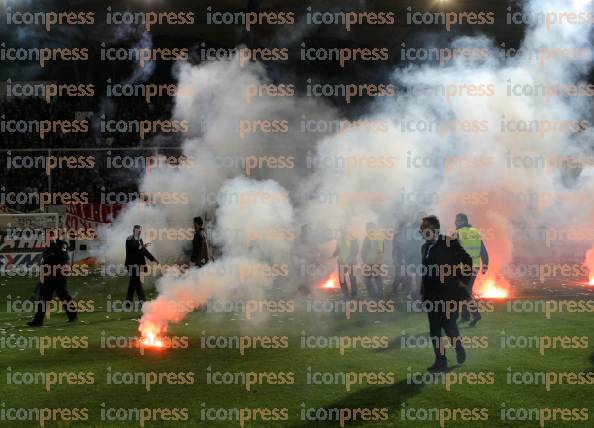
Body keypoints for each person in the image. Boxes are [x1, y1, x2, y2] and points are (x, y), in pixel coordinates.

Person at [419, 215, 473, 372]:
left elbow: (467, 260)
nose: (422, 232)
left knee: (449, 326)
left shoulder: (450, 243)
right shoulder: (424, 248)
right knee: (434, 330)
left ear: (434, 229)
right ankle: (441, 361)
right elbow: (426, 273)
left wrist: (464, 281)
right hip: (432, 296)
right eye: (421, 230)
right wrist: (423, 293)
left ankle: (459, 348)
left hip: (450, 294)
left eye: (424, 229)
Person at [28, 239, 78, 326]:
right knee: (43, 299)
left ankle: (73, 316)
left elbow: (62, 257)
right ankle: (38, 321)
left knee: (64, 297)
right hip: (47, 276)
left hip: (59, 277)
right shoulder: (49, 248)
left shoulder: (61, 244)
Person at [454, 213, 489, 327]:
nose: (455, 223)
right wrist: (485, 265)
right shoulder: (476, 232)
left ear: (462, 221)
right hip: (475, 267)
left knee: (465, 292)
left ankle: (475, 315)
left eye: (457, 220)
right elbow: (483, 250)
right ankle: (465, 316)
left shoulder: (458, 234)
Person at [125, 225, 158, 308]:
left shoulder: (140, 240)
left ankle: (128, 303)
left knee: (132, 284)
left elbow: (144, 251)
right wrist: (142, 246)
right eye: (137, 231)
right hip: (132, 265)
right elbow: (134, 248)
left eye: (140, 231)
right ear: (134, 231)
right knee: (137, 284)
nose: (139, 232)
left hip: (138, 265)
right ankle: (143, 302)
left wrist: (153, 259)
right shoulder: (129, 240)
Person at [333, 228, 359, 299]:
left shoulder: (353, 238)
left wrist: (351, 258)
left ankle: (354, 295)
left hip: (351, 262)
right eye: (341, 231)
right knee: (342, 279)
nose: (342, 232)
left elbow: (355, 250)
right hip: (341, 262)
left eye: (343, 230)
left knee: (352, 278)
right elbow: (338, 250)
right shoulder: (340, 239)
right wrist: (333, 255)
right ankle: (346, 295)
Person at [361, 222, 385, 299]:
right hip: (369, 261)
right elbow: (364, 250)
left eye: (369, 227)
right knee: (374, 278)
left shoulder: (377, 237)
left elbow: (380, 249)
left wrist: (378, 259)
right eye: (367, 228)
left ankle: (375, 295)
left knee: (370, 279)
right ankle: (377, 295)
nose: (367, 229)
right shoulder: (369, 237)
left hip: (374, 261)